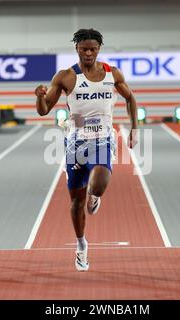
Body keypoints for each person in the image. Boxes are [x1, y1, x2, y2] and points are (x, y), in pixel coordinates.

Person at [35, 28, 138, 271]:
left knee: (99, 184)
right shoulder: (65, 77)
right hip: (76, 141)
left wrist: (135, 128)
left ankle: (95, 194)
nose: (89, 53)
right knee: (75, 202)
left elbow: (130, 98)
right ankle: (81, 246)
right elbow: (43, 109)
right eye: (84, 49)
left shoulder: (112, 74)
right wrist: (39, 97)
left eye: (93, 49)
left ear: (99, 49)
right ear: (77, 49)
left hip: (103, 138)